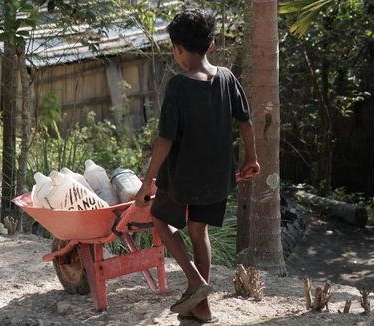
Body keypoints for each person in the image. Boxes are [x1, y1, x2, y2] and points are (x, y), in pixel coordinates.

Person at [135, 8, 260, 324]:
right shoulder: (228, 78)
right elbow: (245, 121)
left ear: (177, 49)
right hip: (218, 177)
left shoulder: (178, 85)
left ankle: (196, 282)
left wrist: (146, 181)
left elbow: (165, 141)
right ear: (212, 44)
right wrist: (251, 158)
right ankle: (201, 308)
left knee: (160, 221)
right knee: (198, 230)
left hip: (182, 178)